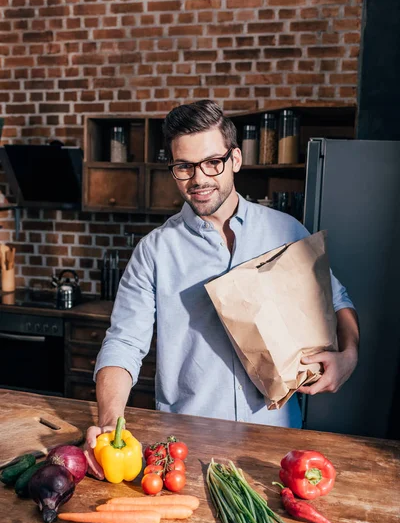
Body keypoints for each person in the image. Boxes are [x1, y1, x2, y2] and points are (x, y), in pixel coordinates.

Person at [85, 100, 359, 478]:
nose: (198, 179)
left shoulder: (285, 230)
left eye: (212, 162)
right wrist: (110, 423)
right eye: (184, 167)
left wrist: (349, 356)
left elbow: (338, 299)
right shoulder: (154, 251)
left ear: (235, 159)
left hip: (275, 441)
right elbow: (123, 343)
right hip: (186, 447)